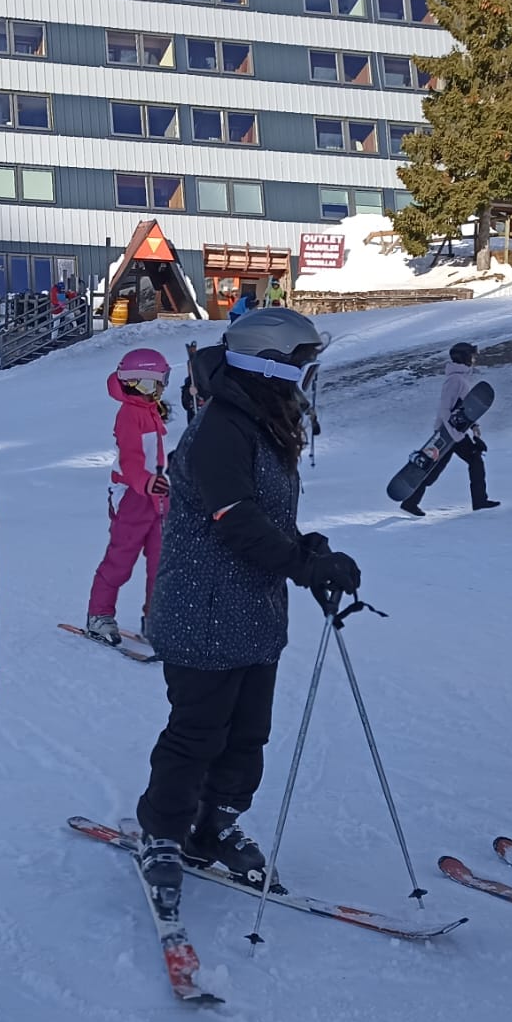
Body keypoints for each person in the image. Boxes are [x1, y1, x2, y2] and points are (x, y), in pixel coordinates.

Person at [133, 306, 360, 902]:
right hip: (202, 611)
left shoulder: (263, 421)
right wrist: (304, 565)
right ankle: (162, 831)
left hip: (253, 612)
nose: (308, 373)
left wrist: (311, 548)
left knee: (247, 734)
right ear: (267, 364)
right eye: (301, 362)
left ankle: (215, 826)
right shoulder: (219, 429)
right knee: (197, 733)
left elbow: (267, 517)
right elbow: (236, 520)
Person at [85, 347, 172, 645]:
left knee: (161, 563)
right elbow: (132, 460)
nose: (161, 388)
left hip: (159, 497)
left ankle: (156, 618)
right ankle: (99, 615)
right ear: (140, 383)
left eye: (164, 382)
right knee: (120, 560)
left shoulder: (151, 410)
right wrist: (145, 483)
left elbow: (156, 455)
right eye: (157, 382)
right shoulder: (128, 415)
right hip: (134, 497)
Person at [401, 341, 496, 517]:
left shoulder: (460, 378)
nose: (474, 359)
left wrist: (473, 426)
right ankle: (480, 501)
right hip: (448, 433)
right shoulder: (454, 380)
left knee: (435, 468)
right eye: (472, 355)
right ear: (464, 357)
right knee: (473, 460)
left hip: (453, 433)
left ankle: (410, 502)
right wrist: (454, 436)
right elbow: (445, 409)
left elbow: (464, 407)